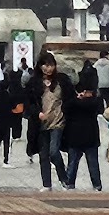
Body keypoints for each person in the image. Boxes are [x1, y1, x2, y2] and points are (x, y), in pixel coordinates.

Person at [33, 50, 75, 190]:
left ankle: (64, 179)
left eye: (51, 65)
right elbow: (29, 101)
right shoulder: (35, 82)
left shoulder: (61, 81)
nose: (48, 68)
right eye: (45, 65)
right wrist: (37, 113)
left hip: (58, 121)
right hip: (41, 123)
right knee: (43, 154)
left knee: (54, 151)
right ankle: (47, 184)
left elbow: (70, 96)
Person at [63, 77, 104, 190]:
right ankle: (97, 185)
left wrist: (78, 99)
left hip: (76, 136)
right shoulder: (95, 101)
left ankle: (69, 183)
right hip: (89, 136)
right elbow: (100, 109)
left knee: (73, 163)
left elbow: (65, 109)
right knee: (92, 164)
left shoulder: (74, 102)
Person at [0, 76, 17, 166]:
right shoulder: (9, 97)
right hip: (7, 122)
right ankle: (6, 160)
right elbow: (14, 106)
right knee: (6, 142)